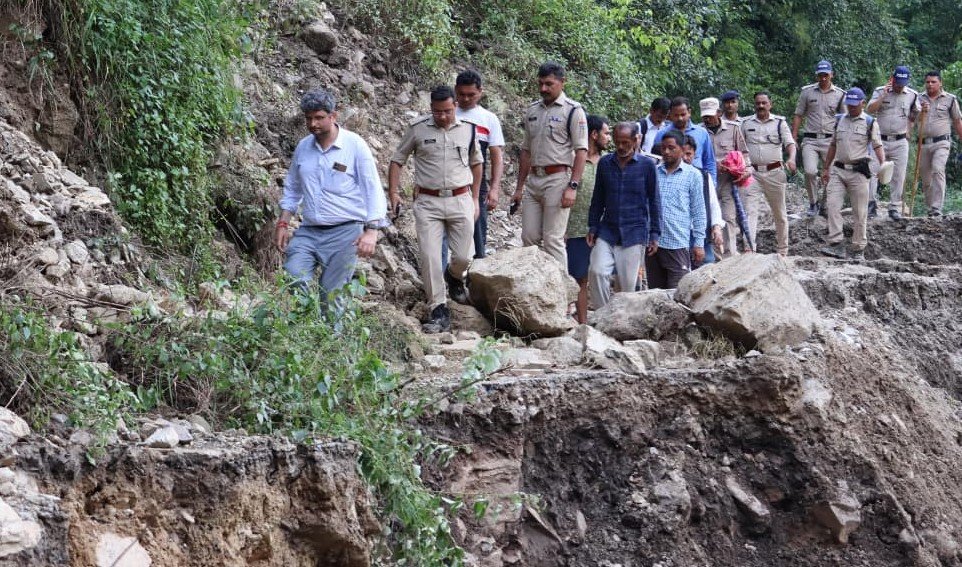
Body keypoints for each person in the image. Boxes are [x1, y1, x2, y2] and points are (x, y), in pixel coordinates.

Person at [276, 89, 388, 298]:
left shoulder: (354, 145)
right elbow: (293, 188)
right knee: (294, 274)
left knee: (332, 294)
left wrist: (372, 231)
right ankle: (306, 316)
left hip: (345, 232)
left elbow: (372, 188)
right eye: (309, 118)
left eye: (319, 118)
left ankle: (327, 320)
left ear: (333, 116)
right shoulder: (303, 147)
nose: (313, 124)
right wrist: (283, 223)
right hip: (309, 230)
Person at [388, 85, 482, 333]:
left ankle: (454, 276)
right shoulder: (418, 129)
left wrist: (475, 199)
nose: (442, 116)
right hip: (428, 202)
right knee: (430, 257)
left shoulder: (469, 130)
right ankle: (438, 308)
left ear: (455, 107)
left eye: (447, 111)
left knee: (464, 257)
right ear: (431, 108)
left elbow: (477, 163)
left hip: (460, 199)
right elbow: (397, 160)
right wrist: (394, 193)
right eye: (437, 111)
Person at [512, 61, 589, 267]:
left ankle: (561, 286)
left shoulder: (573, 111)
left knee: (553, 240)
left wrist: (573, 186)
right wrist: (519, 188)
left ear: (562, 82)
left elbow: (581, 151)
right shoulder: (532, 110)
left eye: (549, 84)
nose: (543, 88)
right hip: (534, 181)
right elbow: (526, 151)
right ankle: (533, 282)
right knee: (528, 237)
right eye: (540, 84)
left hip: (558, 180)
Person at [586, 122, 661, 307]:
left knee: (628, 287)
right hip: (607, 231)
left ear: (636, 140)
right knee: (596, 271)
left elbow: (655, 201)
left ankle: (623, 320)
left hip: (634, 233)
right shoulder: (605, 163)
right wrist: (593, 225)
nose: (620, 146)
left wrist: (655, 234)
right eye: (617, 142)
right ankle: (603, 315)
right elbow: (598, 197)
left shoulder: (647, 166)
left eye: (625, 142)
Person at [819, 88, 885, 260]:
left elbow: (877, 145)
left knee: (860, 212)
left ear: (863, 103)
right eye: (849, 104)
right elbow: (833, 145)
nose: (851, 108)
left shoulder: (870, 122)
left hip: (859, 172)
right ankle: (836, 244)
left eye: (855, 105)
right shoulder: (839, 120)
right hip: (838, 170)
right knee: (832, 206)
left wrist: (884, 165)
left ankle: (858, 249)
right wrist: (826, 168)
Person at [647, 129, 705, 289]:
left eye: (671, 148)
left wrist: (699, 243)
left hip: (677, 243)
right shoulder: (653, 172)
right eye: (663, 148)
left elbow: (698, 211)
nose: (666, 152)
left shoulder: (693, 175)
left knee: (677, 293)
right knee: (655, 294)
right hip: (654, 243)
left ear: (681, 149)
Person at [455, 70, 505, 257]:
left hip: (477, 184)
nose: (466, 99)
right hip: (449, 182)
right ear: (455, 90)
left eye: (471, 95)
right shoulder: (447, 113)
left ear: (480, 92)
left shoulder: (489, 118)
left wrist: (495, 188)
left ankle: (477, 269)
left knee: (478, 234)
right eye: (461, 94)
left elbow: (496, 156)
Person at [741, 91, 797, 255]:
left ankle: (782, 250)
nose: (760, 106)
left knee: (779, 212)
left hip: (774, 172)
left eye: (764, 103)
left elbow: (790, 144)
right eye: (758, 103)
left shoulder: (779, 123)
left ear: (770, 104)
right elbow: (739, 146)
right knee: (750, 211)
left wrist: (792, 158)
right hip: (752, 173)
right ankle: (749, 249)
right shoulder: (745, 123)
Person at [566, 115, 609, 322]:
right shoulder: (573, 160)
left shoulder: (608, 162)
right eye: (606, 133)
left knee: (605, 276)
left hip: (604, 228)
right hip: (576, 227)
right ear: (594, 134)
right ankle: (583, 324)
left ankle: (607, 320)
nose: (608, 138)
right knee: (579, 278)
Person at [792, 60, 846, 217]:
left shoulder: (840, 94)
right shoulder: (807, 92)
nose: (823, 78)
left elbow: (845, 119)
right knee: (810, 171)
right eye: (820, 75)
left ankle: (824, 205)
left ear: (831, 75)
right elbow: (798, 114)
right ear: (816, 75)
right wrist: (793, 137)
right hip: (811, 139)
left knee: (832, 174)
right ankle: (813, 203)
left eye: (826, 75)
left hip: (831, 140)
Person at [866, 66, 920, 220]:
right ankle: (871, 204)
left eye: (902, 83)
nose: (899, 86)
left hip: (900, 140)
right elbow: (869, 109)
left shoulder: (912, 95)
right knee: (872, 171)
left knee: (899, 175)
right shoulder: (880, 91)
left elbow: (915, 114)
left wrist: (909, 128)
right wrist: (882, 96)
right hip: (879, 139)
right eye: (897, 82)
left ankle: (894, 207)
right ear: (892, 79)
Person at [701, 96, 752, 257]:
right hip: (705, 181)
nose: (707, 119)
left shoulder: (733, 129)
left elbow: (744, 153)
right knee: (708, 218)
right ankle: (714, 256)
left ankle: (729, 255)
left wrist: (746, 170)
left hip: (727, 181)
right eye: (704, 116)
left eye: (710, 115)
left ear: (718, 113)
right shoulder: (699, 131)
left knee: (728, 217)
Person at [918, 71, 962, 217]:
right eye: (927, 82)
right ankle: (930, 208)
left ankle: (937, 208)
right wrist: (920, 112)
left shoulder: (950, 99)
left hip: (942, 142)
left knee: (938, 169)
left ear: (940, 83)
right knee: (926, 179)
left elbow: (957, 121)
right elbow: (912, 118)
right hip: (923, 143)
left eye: (933, 82)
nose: (930, 84)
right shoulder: (918, 98)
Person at [682, 134, 723, 268]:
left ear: (694, 154)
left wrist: (716, 227)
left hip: (701, 234)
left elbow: (713, 204)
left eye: (688, 154)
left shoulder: (704, 176)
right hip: (679, 234)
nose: (685, 158)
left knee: (706, 268)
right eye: (682, 154)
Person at [653, 97, 717, 182]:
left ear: (689, 112)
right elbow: (656, 160)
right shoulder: (662, 134)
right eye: (676, 115)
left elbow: (709, 162)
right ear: (670, 114)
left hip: (697, 182)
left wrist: (711, 184)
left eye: (683, 114)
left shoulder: (701, 133)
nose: (680, 118)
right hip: (669, 182)